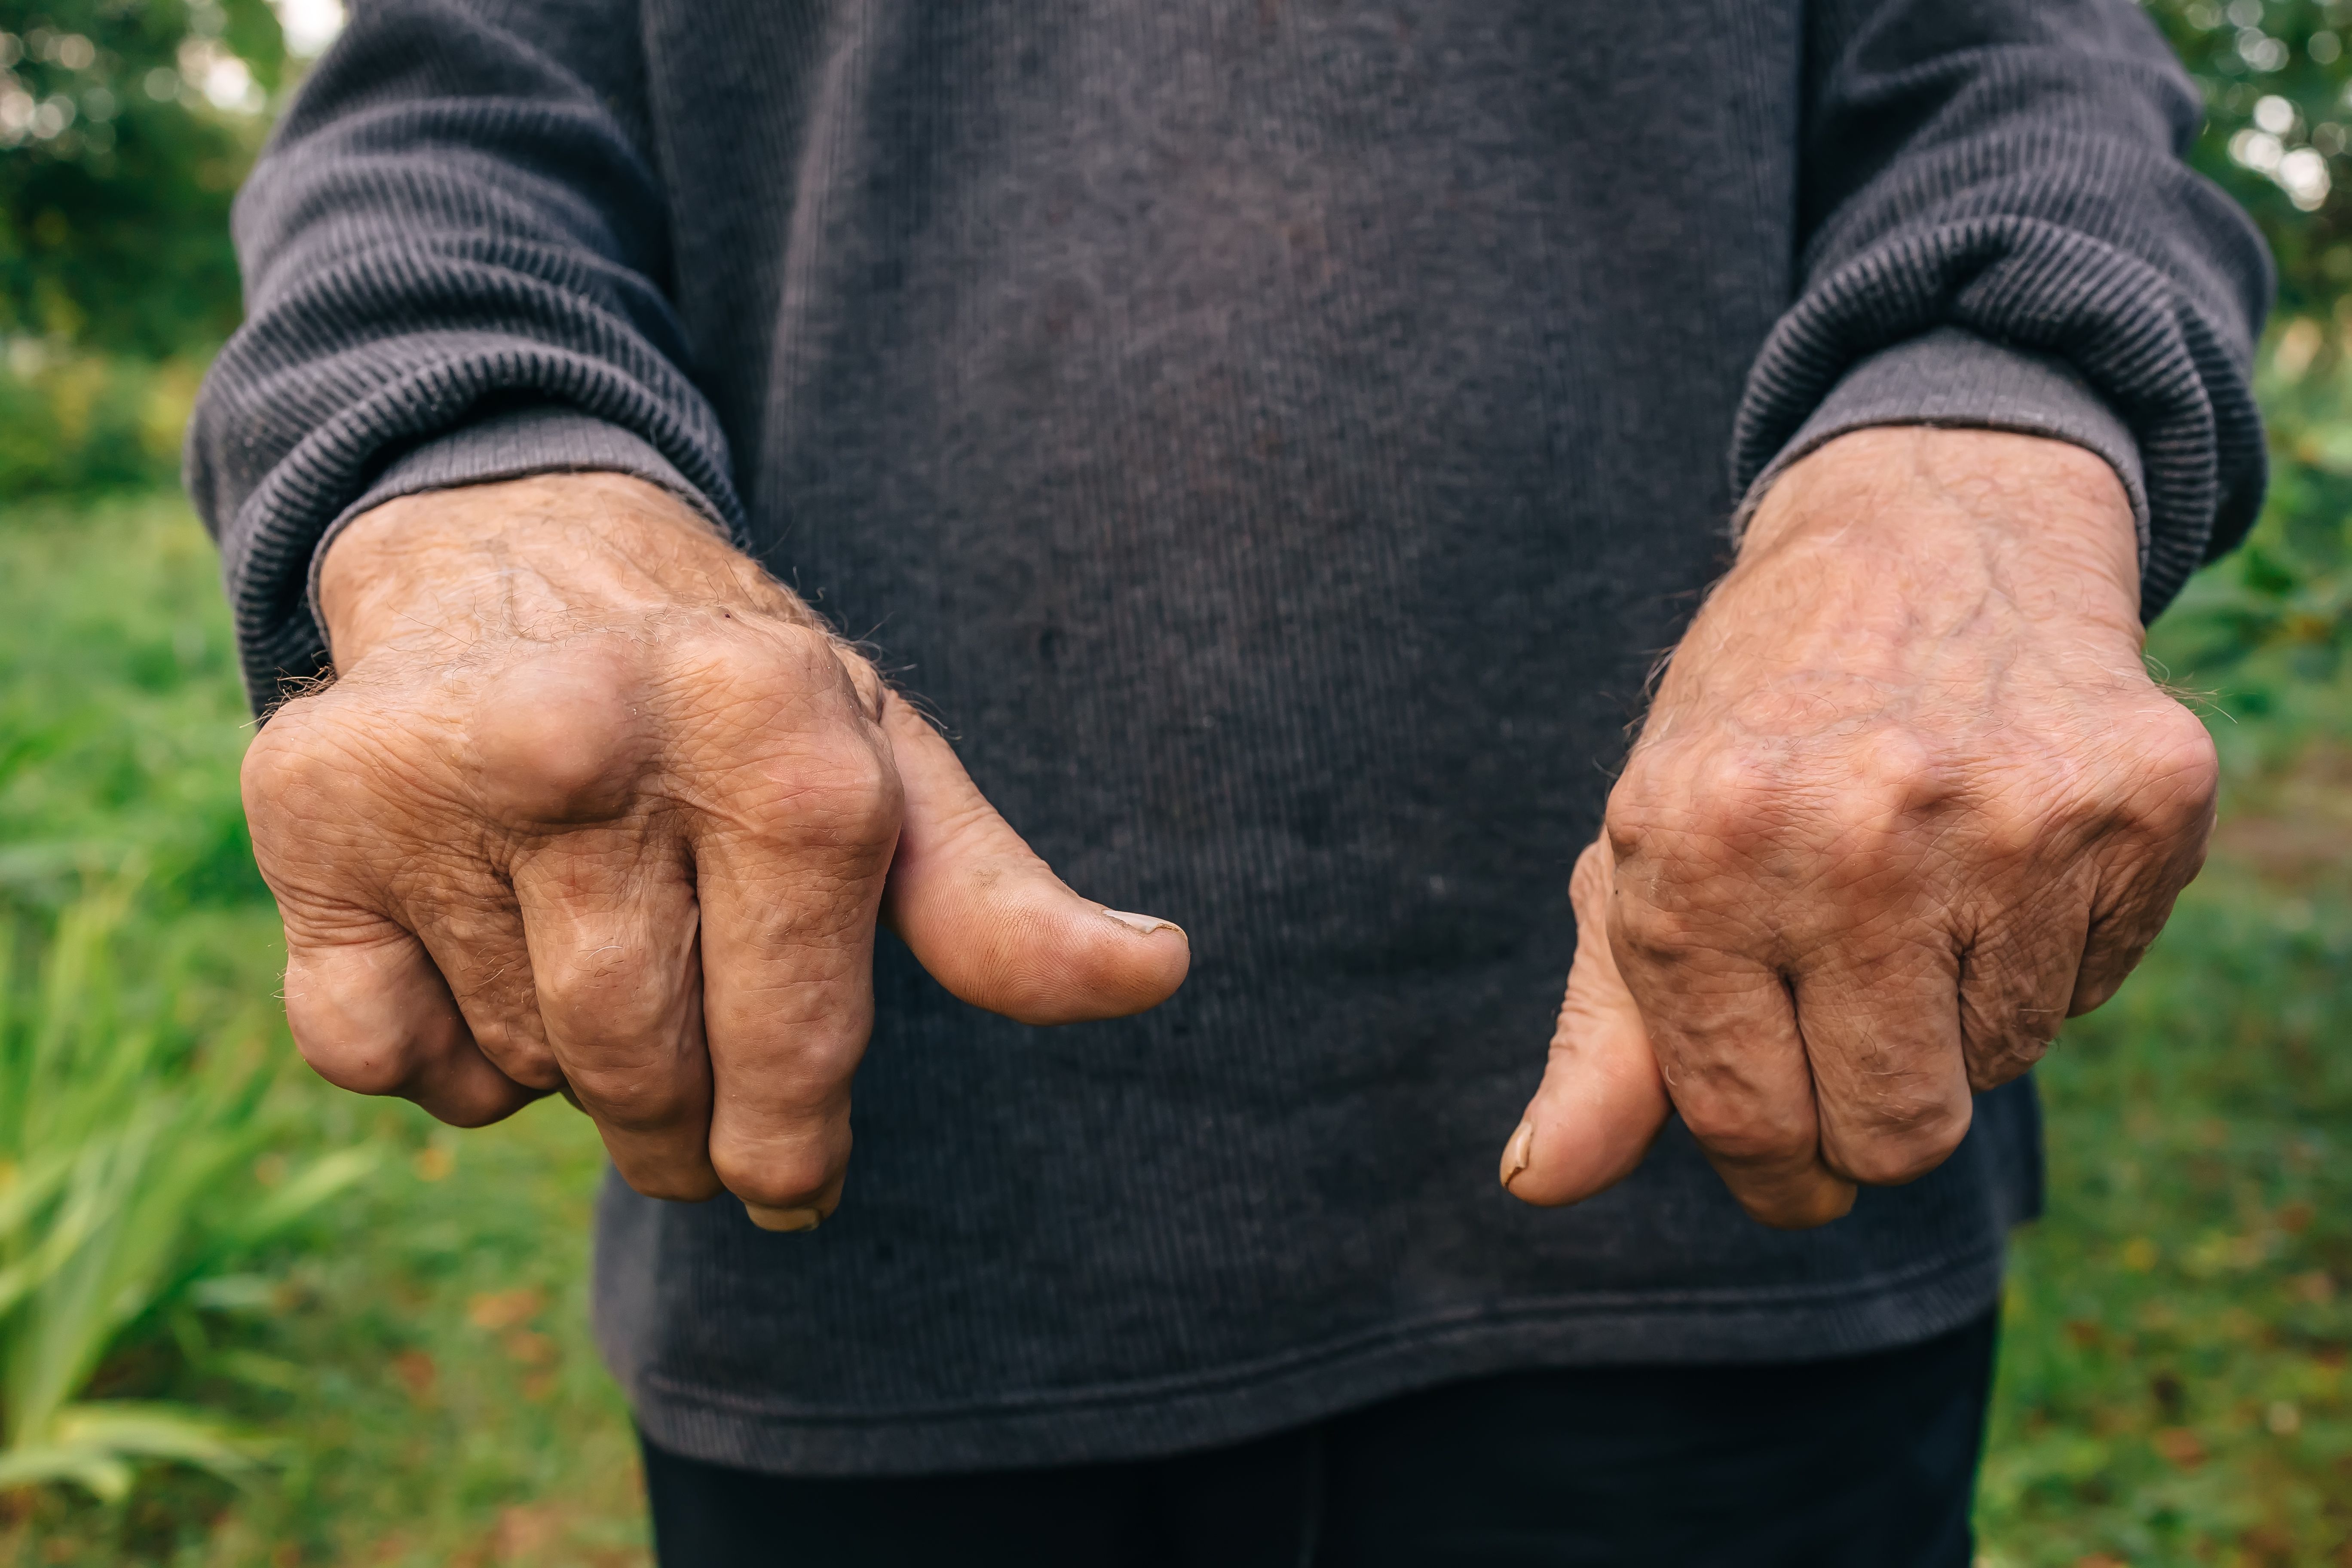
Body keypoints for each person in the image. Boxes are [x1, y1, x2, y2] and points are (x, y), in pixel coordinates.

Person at [189, 0, 2269, 1562]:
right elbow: (455, 118)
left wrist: (1973, 459)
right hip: (887, 1255)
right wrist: (483, 495)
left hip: (1754, 1196)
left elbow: (2025, 75)